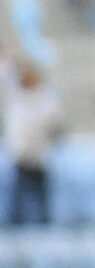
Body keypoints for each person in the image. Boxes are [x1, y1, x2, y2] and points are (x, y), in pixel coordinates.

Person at [5, 59, 62, 226]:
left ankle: (45, 223)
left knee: (41, 193)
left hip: (40, 153)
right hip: (23, 154)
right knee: (20, 194)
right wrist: (19, 149)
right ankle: (17, 223)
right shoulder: (17, 102)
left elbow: (53, 123)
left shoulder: (44, 100)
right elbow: (15, 129)